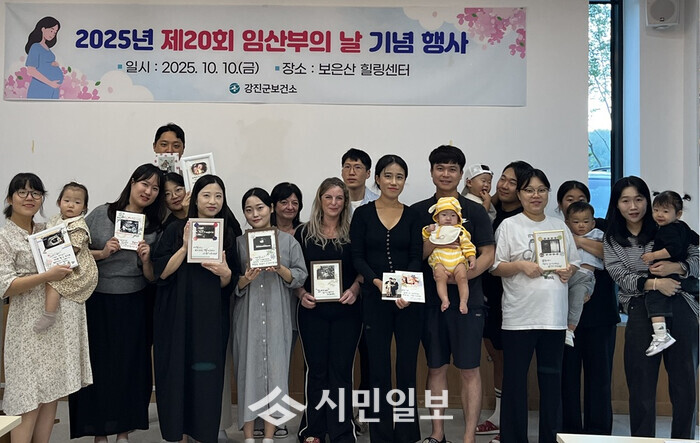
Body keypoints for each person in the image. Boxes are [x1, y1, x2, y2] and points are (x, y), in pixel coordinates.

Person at [69, 164, 165, 443]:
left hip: (134, 302)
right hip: (97, 301)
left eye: (155, 188)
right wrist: (103, 252)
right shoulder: (101, 213)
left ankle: (123, 431)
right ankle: (99, 432)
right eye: (144, 184)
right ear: (132, 183)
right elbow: (75, 253)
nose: (148, 191)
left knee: (129, 368)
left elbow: (151, 277)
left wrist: (146, 260)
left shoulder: (154, 226)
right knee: (98, 366)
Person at [603, 176, 698, 439]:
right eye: (625, 200)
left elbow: (697, 257)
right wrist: (655, 283)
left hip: (680, 303)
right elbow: (619, 275)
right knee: (641, 385)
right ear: (616, 204)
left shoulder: (668, 224)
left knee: (684, 385)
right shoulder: (612, 239)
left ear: (648, 200)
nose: (633, 206)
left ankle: (683, 440)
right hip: (640, 308)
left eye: (639, 199)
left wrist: (677, 267)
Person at [0, 173, 92, 443]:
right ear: (10, 199)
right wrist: (46, 276)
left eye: (36, 193)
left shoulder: (47, 229)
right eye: (22, 192)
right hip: (26, 324)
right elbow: (6, 286)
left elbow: (76, 257)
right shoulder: (4, 237)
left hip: (54, 323)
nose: (29, 198)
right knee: (26, 395)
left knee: (50, 390)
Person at [412, 145, 495, 443]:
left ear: (461, 175)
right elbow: (414, 256)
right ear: (431, 171)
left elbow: (488, 253)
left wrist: (462, 276)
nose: (445, 174)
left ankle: (469, 436)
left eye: (452, 169)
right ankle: (437, 434)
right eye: (440, 168)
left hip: (468, 301)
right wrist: (435, 242)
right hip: (430, 301)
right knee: (436, 368)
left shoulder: (474, 211)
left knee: (470, 369)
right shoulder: (418, 212)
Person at [491, 168, 580, 443]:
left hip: (553, 316)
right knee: (515, 382)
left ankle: (550, 438)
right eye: (529, 190)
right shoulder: (509, 226)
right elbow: (496, 267)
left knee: (552, 381)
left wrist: (568, 270)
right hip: (519, 316)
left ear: (548, 194)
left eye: (541, 190)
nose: (535, 195)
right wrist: (520, 266)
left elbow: (574, 262)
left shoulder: (559, 226)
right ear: (519, 194)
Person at [152, 175, 240, 443]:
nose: (213, 201)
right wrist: (185, 247)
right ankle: (177, 434)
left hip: (210, 318)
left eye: (218, 196)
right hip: (176, 316)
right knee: (175, 373)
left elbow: (229, 282)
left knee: (206, 377)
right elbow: (160, 272)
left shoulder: (227, 233)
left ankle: (203, 434)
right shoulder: (175, 229)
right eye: (206, 195)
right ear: (195, 199)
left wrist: (225, 273)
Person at [350, 154, 423, 443]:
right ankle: (380, 435)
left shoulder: (413, 215)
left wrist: (404, 291)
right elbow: (358, 257)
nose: (394, 182)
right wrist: (377, 283)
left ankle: (406, 434)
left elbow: (416, 257)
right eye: (388, 176)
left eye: (399, 177)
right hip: (374, 299)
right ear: (377, 178)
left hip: (408, 302)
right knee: (378, 369)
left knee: (406, 369)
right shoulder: (363, 215)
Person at [233, 188, 307, 443]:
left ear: (271, 208)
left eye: (260, 208)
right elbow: (230, 284)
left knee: (276, 373)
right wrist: (245, 279)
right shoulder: (238, 243)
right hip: (247, 318)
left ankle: (269, 435)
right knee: (247, 372)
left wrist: (280, 268)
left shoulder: (288, 242)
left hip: (278, 318)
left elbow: (300, 276)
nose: (255, 214)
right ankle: (248, 435)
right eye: (249, 210)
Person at [294, 177, 362, 443]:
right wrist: (301, 294)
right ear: (319, 200)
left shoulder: (355, 232)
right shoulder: (303, 233)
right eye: (328, 197)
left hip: (347, 311)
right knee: (316, 371)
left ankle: (342, 431)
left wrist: (355, 289)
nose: (334, 203)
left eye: (339, 198)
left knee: (341, 371)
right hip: (312, 312)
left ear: (345, 202)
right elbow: (295, 274)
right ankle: (313, 430)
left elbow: (363, 270)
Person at [556, 180, 619, 435]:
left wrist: (578, 241)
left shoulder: (601, 227)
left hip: (601, 313)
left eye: (581, 198)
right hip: (564, 314)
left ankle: (599, 433)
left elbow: (612, 255)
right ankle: (569, 432)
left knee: (600, 377)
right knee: (567, 377)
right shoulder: (554, 229)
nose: (575, 202)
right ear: (561, 205)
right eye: (569, 199)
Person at [476, 160, 532, 441]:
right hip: (485, 292)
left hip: (513, 295)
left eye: (513, 182)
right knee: (496, 355)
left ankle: (509, 421)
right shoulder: (487, 209)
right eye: (503, 179)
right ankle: (500, 417)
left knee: (511, 360)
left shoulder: (525, 217)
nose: (505, 185)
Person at [33, 182, 98, 333]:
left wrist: (51, 257)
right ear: (59, 202)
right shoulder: (56, 219)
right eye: (67, 200)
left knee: (53, 282)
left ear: (84, 208)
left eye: (77, 202)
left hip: (75, 267)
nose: (71, 205)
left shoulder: (79, 226)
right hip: (59, 258)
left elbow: (73, 249)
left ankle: (49, 314)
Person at [640, 191, 699, 356]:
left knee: (654, 298)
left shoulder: (667, 230)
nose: (659, 215)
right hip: (680, 276)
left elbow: (673, 249)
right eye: (656, 210)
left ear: (678, 214)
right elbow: (696, 239)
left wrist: (653, 255)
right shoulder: (683, 226)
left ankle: (660, 335)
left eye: (665, 211)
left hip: (667, 273)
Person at [422, 196, 476, 313]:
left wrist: (472, 258)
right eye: (444, 215)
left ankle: (463, 301)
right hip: (440, 262)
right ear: (437, 217)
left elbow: (468, 246)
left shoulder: (459, 231)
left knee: (463, 278)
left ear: (458, 218)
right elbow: (424, 238)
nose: (448, 218)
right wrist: (427, 230)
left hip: (457, 261)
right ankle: (444, 299)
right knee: (439, 277)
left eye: (453, 215)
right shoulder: (435, 229)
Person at [563, 201, 604, 347]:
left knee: (577, 300)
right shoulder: (565, 236)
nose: (581, 225)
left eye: (586, 222)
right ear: (567, 223)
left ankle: (570, 330)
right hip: (567, 275)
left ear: (593, 223)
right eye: (576, 222)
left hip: (585, 277)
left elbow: (609, 251)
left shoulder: (598, 235)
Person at [24, 16, 63, 99]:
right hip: (40, 88)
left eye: (55, 32)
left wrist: (53, 64)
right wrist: (50, 83)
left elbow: (43, 63)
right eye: (51, 30)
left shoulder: (46, 47)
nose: (53, 34)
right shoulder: (35, 47)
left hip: (52, 89)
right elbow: (31, 70)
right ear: (43, 29)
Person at [342, 148, 379, 214]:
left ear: (368, 173)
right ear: (342, 172)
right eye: (347, 167)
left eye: (357, 167)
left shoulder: (378, 202)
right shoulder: (334, 202)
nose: (351, 172)